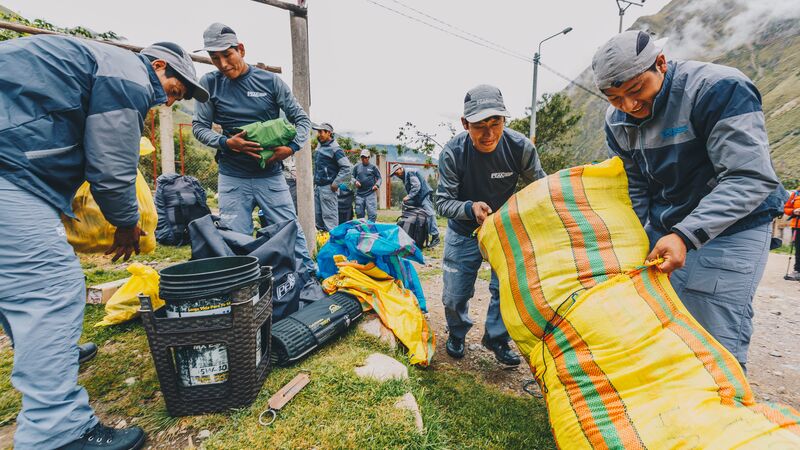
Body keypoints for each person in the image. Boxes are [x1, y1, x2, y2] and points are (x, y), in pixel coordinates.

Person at [0, 35, 208, 450]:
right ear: (159, 67)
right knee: (50, 290)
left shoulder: (99, 64)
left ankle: (50, 356)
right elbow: (112, 168)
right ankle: (56, 432)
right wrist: (127, 224)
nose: (168, 103)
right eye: (173, 92)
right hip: (9, 171)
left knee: (17, 285)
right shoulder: (127, 72)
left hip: (12, 165)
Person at [593, 30, 788, 370]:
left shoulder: (718, 90)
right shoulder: (618, 120)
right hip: (671, 224)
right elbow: (635, 187)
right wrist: (628, 240)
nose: (629, 106)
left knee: (711, 336)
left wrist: (685, 235)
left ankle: (721, 416)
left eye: (636, 90)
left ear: (662, 63)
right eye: (614, 98)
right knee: (658, 325)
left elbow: (749, 177)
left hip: (734, 226)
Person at [435, 84, 546, 366]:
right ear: (464, 124)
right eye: (479, 126)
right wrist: (469, 208)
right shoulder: (453, 153)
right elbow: (441, 202)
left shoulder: (520, 147)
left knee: (506, 290)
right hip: (464, 231)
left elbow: (542, 187)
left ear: (504, 120)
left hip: (504, 231)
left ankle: (497, 339)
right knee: (454, 293)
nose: (489, 134)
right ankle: (457, 332)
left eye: (495, 123)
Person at [192, 22, 315, 273]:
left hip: (270, 177)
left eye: (228, 55)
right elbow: (199, 127)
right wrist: (226, 142)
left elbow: (302, 120)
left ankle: (308, 281)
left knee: (289, 231)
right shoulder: (209, 83)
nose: (223, 64)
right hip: (232, 178)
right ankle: (244, 291)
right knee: (234, 238)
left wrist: (291, 148)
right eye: (215, 58)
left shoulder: (270, 82)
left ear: (241, 49)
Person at [312, 122, 352, 231]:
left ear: (329, 133)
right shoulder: (320, 146)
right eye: (318, 132)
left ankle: (334, 245)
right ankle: (322, 244)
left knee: (330, 220)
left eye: (321, 132)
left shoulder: (335, 149)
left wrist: (335, 183)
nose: (318, 134)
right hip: (318, 188)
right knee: (318, 219)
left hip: (328, 189)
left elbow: (346, 167)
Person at [390, 164, 440, 246]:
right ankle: (416, 234)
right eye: (394, 174)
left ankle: (435, 236)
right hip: (418, 197)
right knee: (411, 209)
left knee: (430, 214)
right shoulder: (405, 175)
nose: (396, 175)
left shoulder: (410, 172)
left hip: (424, 195)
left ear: (400, 168)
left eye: (396, 172)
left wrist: (409, 196)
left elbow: (417, 186)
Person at [352, 148, 382, 222]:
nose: (363, 159)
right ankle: (362, 230)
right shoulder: (357, 167)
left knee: (372, 214)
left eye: (365, 157)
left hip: (370, 194)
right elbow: (351, 177)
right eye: (362, 157)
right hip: (359, 194)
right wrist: (355, 182)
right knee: (359, 213)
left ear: (368, 157)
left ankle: (370, 230)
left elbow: (379, 178)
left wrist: (377, 185)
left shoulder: (373, 167)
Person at [784, 188, 800, 281]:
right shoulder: (796, 194)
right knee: (798, 248)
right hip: (797, 225)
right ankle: (797, 271)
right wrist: (794, 211)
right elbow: (786, 208)